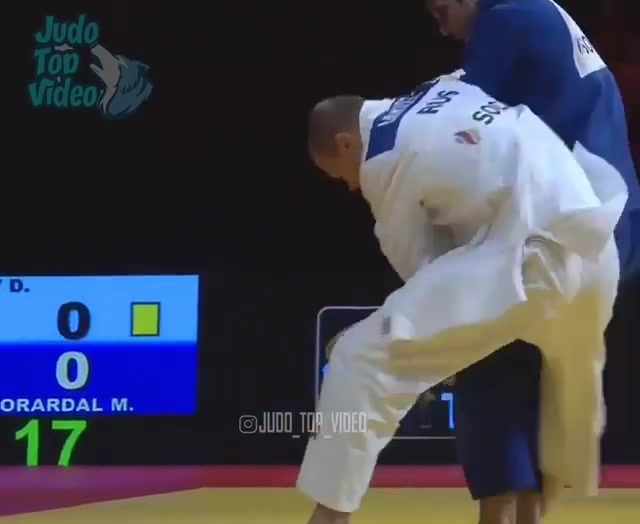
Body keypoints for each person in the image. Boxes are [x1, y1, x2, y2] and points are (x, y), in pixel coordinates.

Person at [297, 77, 627, 524]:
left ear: (345, 142)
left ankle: (329, 518)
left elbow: (423, 269)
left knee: (361, 358)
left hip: (536, 262)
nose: (351, 187)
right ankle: (557, 485)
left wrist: (433, 351)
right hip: (597, 243)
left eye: (340, 175)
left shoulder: (382, 158)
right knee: (573, 378)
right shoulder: (444, 85)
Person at [422, 1, 640, 521]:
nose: (443, 28)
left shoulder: (502, 20)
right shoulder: (545, 12)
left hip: (563, 225)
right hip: (615, 224)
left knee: (485, 357)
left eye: (441, 10)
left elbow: (465, 135)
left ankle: (498, 517)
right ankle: (532, 515)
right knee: (544, 369)